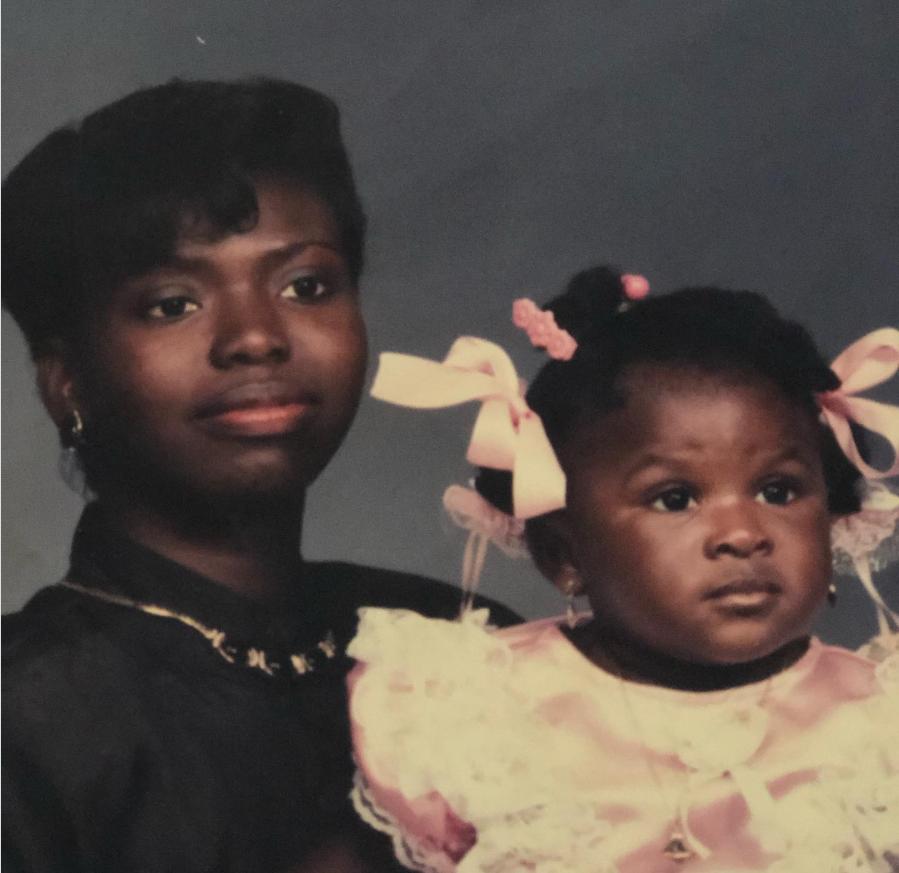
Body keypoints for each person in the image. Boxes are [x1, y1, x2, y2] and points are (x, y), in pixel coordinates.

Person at [1, 78, 519, 873]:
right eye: (172, 303)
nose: (255, 338)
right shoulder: (27, 715)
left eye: (305, 285)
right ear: (65, 378)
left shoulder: (467, 640)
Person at [346, 266, 899, 871]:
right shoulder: (483, 715)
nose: (742, 535)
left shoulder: (877, 724)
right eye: (675, 499)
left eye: (778, 490)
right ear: (566, 555)